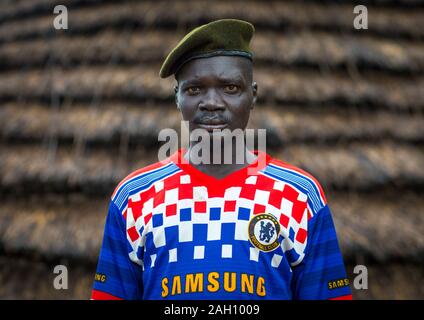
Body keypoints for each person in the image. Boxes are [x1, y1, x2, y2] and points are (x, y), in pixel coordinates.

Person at [91, 19, 352, 300]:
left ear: (252, 95)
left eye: (230, 88)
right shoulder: (134, 196)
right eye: (194, 90)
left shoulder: (300, 195)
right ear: (176, 98)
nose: (211, 102)